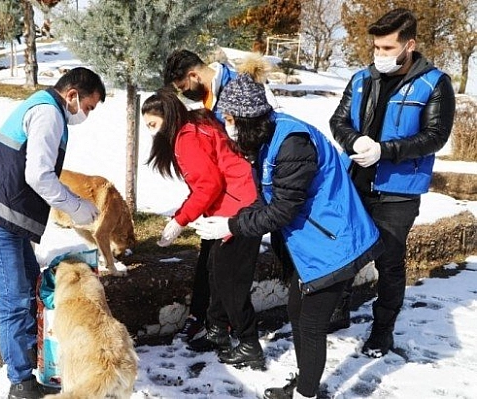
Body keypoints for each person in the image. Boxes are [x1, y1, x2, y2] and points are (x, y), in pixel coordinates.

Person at [194, 73, 383, 399]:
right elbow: (268, 197)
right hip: (313, 241)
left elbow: (282, 211)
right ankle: (306, 383)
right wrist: (233, 218)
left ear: (247, 118)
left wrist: (232, 226)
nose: (228, 127)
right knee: (297, 312)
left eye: (229, 119)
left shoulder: (292, 143)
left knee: (309, 324)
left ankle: (306, 393)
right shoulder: (267, 139)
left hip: (334, 242)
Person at [0, 67, 106, 399]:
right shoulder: (47, 113)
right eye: (89, 106)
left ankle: (36, 367)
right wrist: (77, 207)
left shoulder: (46, 108)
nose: (86, 114)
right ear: (73, 95)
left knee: (30, 288)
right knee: (14, 302)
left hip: (5, 222)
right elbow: (39, 176)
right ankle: (21, 383)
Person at [329, 8, 455, 357]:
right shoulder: (360, 79)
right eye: (376, 48)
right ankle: (337, 312)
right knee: (345, 252)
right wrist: (353, 141)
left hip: (398, 190)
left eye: (387, 48)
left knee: (389, 262)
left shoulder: (434, 82)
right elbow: (338, 119)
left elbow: (435, 136)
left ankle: (382, 329)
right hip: (355, 182)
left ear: (409, 45)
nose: (379, 55)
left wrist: (385, 150)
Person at [142, 87, 265, 369]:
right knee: (214, 272)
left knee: (231, 282)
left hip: (238, 209)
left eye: (153, 124)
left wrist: (179, 220)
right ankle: (217, 332)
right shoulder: (198, 121)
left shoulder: (186, 138)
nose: (151, 132)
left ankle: (249, 344)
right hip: (236, 203)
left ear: (168, 116)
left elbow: (208, 185)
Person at [162, 49, 277, 343]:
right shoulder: (208, 99)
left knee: (232, 272)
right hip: (220, 199)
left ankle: (238, 334)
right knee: (210, 262)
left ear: (193, 75)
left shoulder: (240, 87)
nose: (185, 94)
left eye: (183, 88)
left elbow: (266, 134)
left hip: (246, 195)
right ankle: (207, 320)